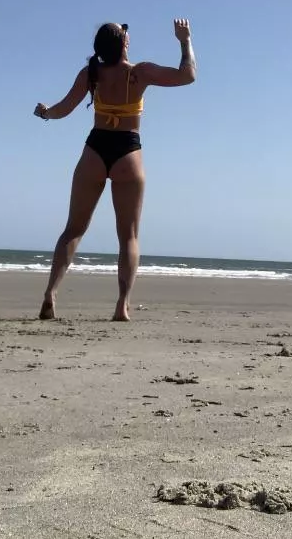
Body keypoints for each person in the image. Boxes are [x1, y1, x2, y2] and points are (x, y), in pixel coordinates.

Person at [34, 18, 196, 323]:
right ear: (123, 44)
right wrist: (184, 40)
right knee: (129, 236)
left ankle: (51, 294)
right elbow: (187, 75)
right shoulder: (139, 73)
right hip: (127, 152)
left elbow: (63, 109)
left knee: (73, 229)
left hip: (94, 150)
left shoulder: (91, 73)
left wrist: (44, 113)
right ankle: (122, 305)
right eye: (126, 34)